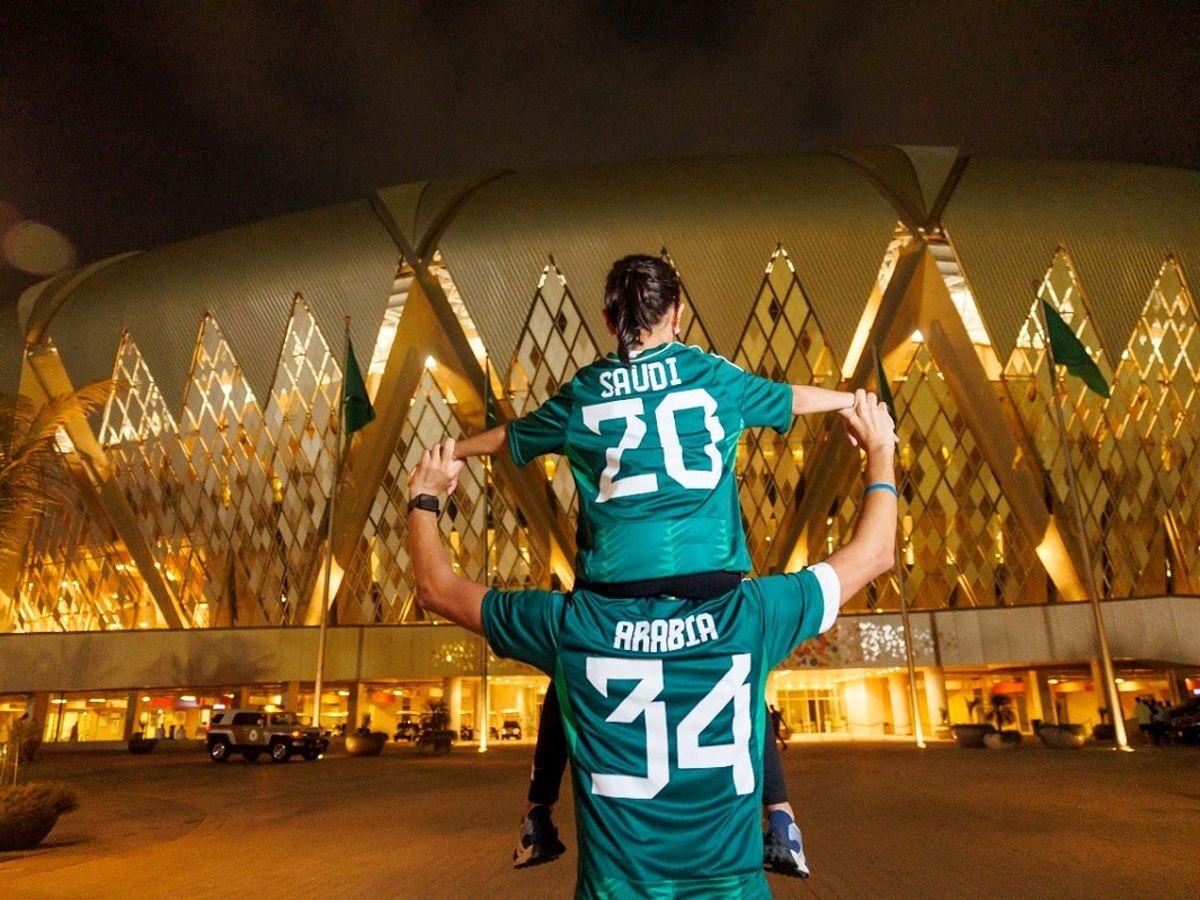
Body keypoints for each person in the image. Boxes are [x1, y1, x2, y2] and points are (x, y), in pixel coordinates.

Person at [453, 254, 855, 876]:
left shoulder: (587, 388)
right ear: (677, 313)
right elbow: (789, 398)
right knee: (744, 673)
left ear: (608, 317)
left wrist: (453, 450)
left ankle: (538, 815)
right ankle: (780, 818)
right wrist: (851, 401)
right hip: (709, 571)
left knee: (567, 673)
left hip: (616, 578)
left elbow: (513, 436)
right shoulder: (710, 374)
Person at [408, 390, 897, 898]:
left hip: (618, 887)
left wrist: (424, 498)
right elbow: (876, 552)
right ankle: (781, 813)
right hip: (731, 886)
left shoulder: (574, 625)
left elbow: (436, 590)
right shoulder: (750, 616)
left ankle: (538, 810)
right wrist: (879, 450)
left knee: (564, 689)